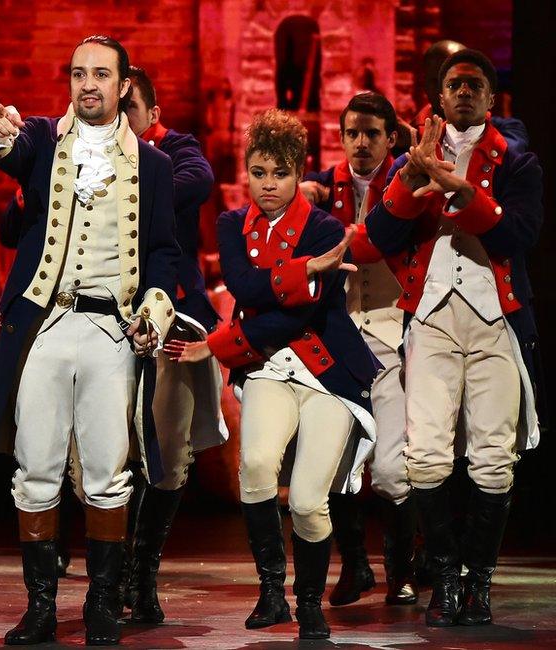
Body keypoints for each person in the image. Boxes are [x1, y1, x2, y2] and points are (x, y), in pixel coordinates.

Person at [0, 35, 180, 646]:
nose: (89, 85)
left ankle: (103, 604)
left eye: (102, 75)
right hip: (48, 325)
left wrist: (155, 311)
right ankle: (40, 607)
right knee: (35, 468)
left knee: (108, 471)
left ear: (124, 84)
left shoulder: (154, 168)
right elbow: (5, 150)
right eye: (79, 74)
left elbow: (164, 253)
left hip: (111, 328)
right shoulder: (42, 142)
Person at [166, 109, 380, 640]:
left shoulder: (326, 228)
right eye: (258, 172)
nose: (268, 185)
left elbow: (297, 313)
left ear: (297, 172)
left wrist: (217, 345)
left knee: (309, 499)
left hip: (328, 372)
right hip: (267, 367)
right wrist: (305, 269)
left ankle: (309, 601)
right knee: (256, 466)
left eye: (279, 174)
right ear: (247, 173)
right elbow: (245, 286)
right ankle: (271, 592)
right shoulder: (230, 224)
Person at [366, 48, 544, 627]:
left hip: (495, 318)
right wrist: (413, 180)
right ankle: (443, 575)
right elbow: (378, 236)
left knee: (494, 457)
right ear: (439, 98)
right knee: (426, 457)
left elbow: (518, 234)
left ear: (492, 100)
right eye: (453, 84)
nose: (464, 91)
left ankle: (478, 583)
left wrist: (462, 192)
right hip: (433, 317)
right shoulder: (415, 157)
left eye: (475, 84)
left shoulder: (516, 162)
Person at [302, 91, 418, 607]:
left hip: (394, 337)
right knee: (338, 462)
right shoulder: (325, 186)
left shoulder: (409, 182)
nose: (361, 143)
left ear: (390, 138)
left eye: (372, 133)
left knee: (393, 469)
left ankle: (402, 568)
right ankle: (354, 566)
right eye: (353, 133)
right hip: (343, 340)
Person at [120, 65, 227, 624]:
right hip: (102, 321)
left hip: (174, 319)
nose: (118, 121)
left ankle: (144, 573)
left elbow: (198, 182)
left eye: (129, 109)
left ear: (153, 116)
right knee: (103, 457)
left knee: (166, 453)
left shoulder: (176, 151)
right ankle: (109, 574)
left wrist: (123, 176)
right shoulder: (77, 154)